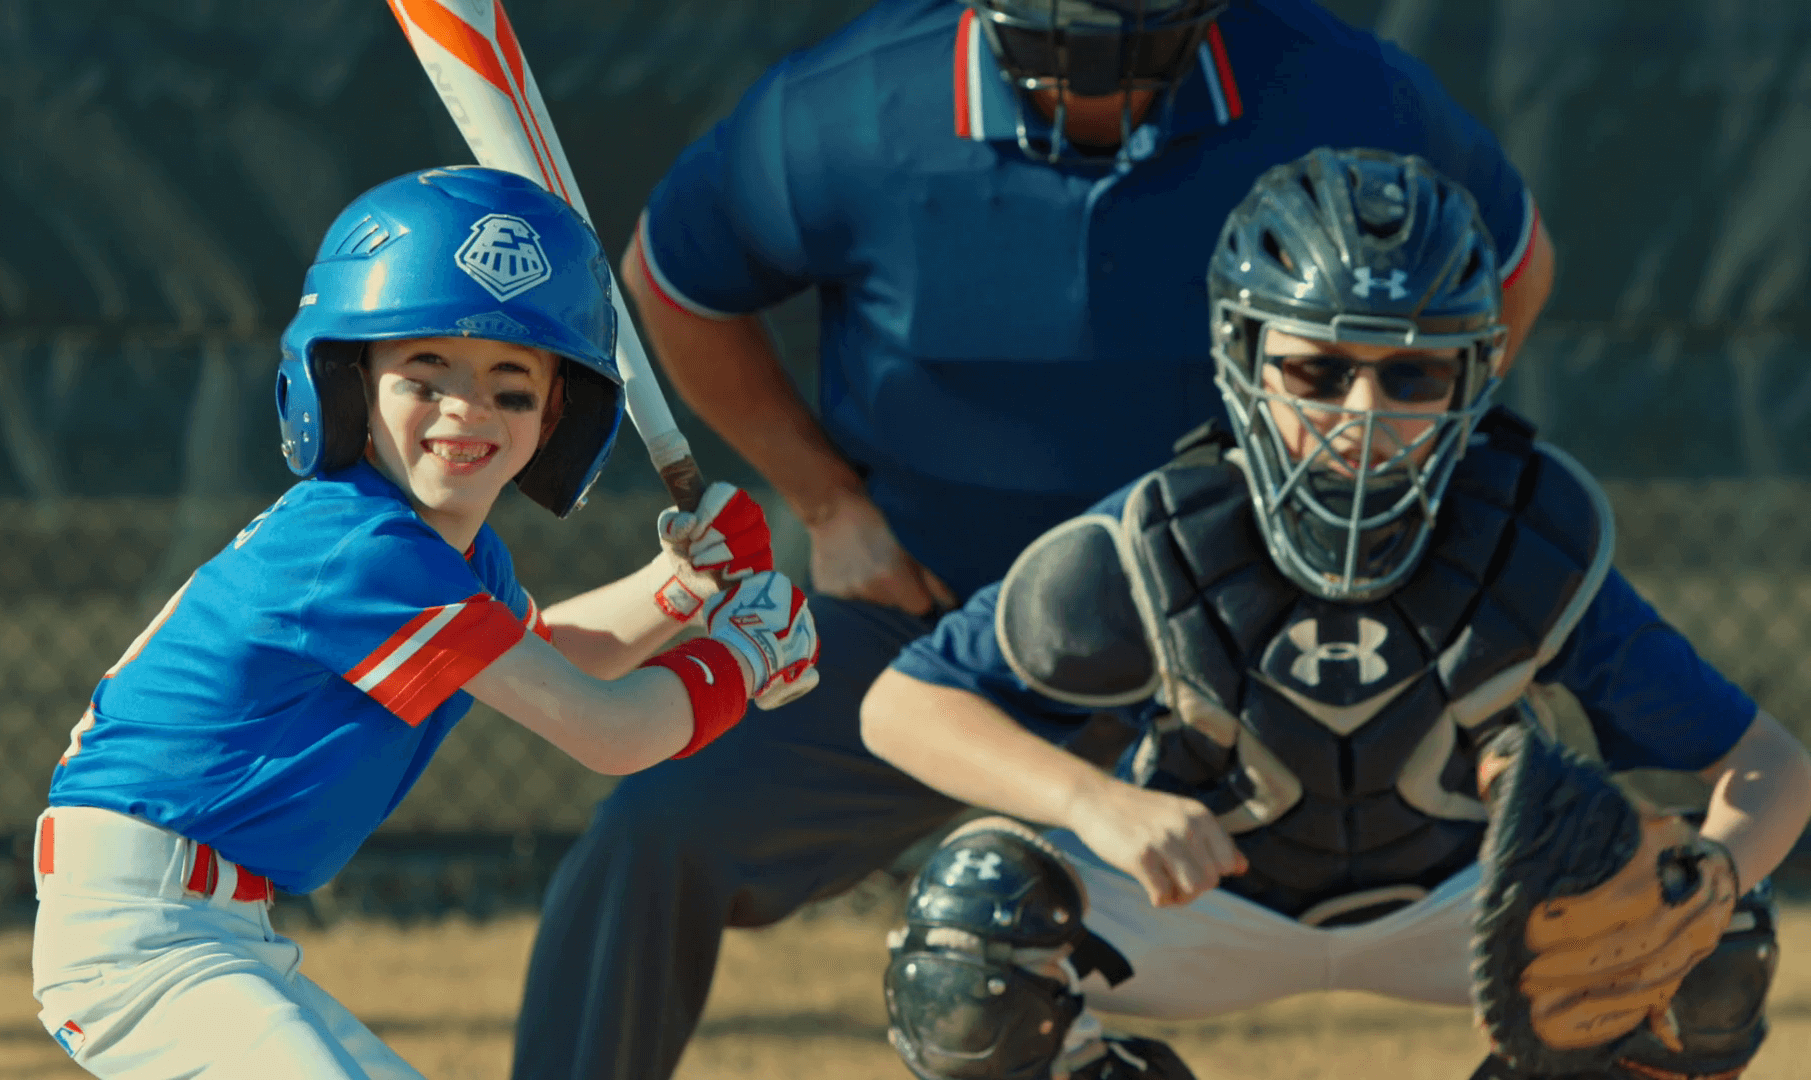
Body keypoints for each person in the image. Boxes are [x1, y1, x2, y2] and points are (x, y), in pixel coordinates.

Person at [511, 3, 1560, 1077]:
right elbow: (676, 284)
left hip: (1247, 638)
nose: (1098, 97)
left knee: (1606, 883)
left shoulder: (1334, 86)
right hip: (929, 619)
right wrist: (826, 501)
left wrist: (1376, 482)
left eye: (1140, 54)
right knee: (657, 831)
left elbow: (1510, 269)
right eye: (1058, 55)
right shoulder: (850, 107)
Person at [861, 147, 1811, 1080]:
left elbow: (1772, 765)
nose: (1364, 413)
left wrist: (1708, 884)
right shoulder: (1160, 539)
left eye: (1412, 376)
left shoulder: (1528, 538)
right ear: (1245, 355)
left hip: (1472, 910)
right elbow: (901, 706)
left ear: (1475, 374)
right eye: (1318, 372)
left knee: (1714, 930)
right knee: (966, 937)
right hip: (1204, 900)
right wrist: (1095, 803)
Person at [26, 165, 819, 1080]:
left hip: (209, 930)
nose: (466, 410)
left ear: (559, 414)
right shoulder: (358, 551)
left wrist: (678, 588)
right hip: (141, 940)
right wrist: (743, 656)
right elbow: (609, 730)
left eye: (511, 385)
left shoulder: (443, 560)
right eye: (424, 372)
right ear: (348, 380)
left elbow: (549, 661)